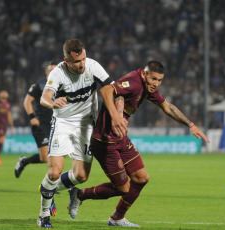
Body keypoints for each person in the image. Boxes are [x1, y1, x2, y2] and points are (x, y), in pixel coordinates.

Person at [67, 61, 210, 227]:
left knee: (142, 178)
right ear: (144, 74)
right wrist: (115, 116)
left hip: (120, 138)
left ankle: (117, 218)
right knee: (123, 188)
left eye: (160, 80)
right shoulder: (135, 82)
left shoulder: (148, 88)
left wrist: (190, 125)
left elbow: (166, 106)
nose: (156, 84)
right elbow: (106, 89)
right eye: (154, 79)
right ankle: (79, 195)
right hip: (105, 141)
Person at [37, 38, 114, 228]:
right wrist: (53, 102)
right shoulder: (58, 73)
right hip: (62, 123)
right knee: (54, 172)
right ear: (66, 60)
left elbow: (111, 87)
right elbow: (45, 97)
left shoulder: (93, 66)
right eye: (77, 62)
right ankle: (43, 215)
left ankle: (50, 190)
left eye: (83, 59)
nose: (82, 64)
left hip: (86, 124)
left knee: (81, 176)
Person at [14, 62, 57, 178]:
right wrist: (32, 117)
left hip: (55, 125)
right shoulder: (39, 86)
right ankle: (24, 161)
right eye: (51, 70)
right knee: (45, 157)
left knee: (51, 158)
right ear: (46, 72)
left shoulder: (60, 86)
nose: (54, 73)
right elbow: (27, 101)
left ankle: (51, 184)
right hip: (40, 124)